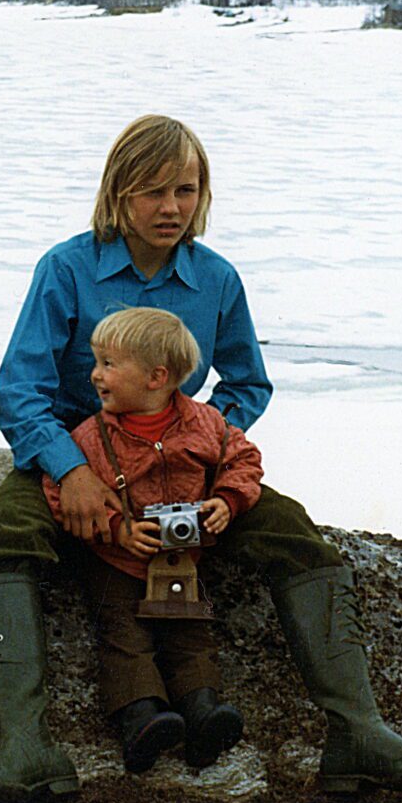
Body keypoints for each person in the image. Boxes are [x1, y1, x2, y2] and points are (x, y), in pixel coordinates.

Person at [0, 114, 402, 802]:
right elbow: (20, 390)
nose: (171, 208)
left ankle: (359, 734)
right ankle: (26, 746)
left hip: (180, 466)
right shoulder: (66, 269)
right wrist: (69, 472)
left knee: (290, 529)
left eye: (186, 190)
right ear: (117, 193)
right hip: (75, 457)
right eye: (153, 192)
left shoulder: (217, 280)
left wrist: (205, 444)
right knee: (8, 531)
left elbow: (247, 382)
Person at [42, 307, 259, 774]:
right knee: (124, 636)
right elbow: (61, 491)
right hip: (115, 561)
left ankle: (203, 711)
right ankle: (141, 718)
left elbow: (244, 460)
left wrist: (227, 499)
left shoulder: (204, 424)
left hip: (180, 562)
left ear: (157, 377)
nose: (95, 375)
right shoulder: (92, 435)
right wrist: (115, 528)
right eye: (96, 361)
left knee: (191, 635)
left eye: (108, 365)